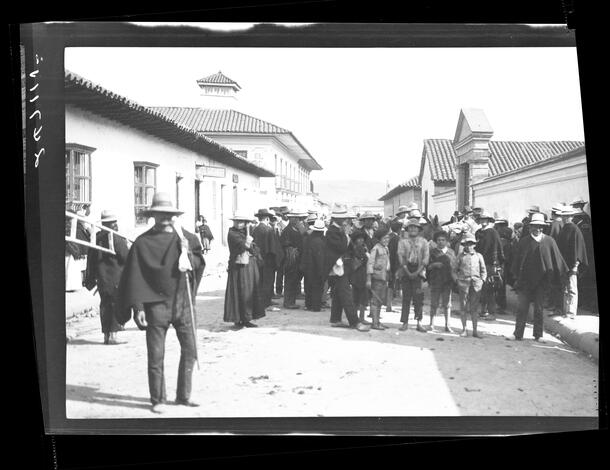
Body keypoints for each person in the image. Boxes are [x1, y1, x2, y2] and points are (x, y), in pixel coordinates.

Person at [118, 192, 205, 414]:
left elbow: (199, 264)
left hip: (183, 303)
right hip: (156, 307)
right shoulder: (142, 242)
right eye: (160, 214)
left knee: (191, 349)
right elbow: (133, 276)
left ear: (174, 215)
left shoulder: (186, 239)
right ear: (153, 215)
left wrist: (188, 256)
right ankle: (158, 399)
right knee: (156, 354)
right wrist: (138, 307)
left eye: (169, 214)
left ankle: (184, 396)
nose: (165, 218)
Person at [509, 213, 568, 342]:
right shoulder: (524, 242)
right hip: (525, 282)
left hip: (542, 282)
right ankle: (518, 334)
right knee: (522, 308)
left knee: (539, 310)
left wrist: (560, 276)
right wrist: (516, 277)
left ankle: (538, 335)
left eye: (540, 226)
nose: (538, 229)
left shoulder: (549, 241)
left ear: (543, 227)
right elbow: (517, 261)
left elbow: (557, 260)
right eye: (535, 226)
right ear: (530, 227)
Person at [84, 210, 130, 345]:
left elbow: (91, 260)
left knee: (105, 305)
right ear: (113, 224)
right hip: (116, 278)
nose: (117, 225)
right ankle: (113, 336)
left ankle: (106, 335)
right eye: (115, 223)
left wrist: (91, 278)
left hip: (102, 280)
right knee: (115, 305)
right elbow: (126, 257)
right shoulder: (116, 238)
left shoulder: (96, 238)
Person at [323, 204, 369, 332]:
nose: (345, 220)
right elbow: (342, 247)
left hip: (341, 267)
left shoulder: (338, 230)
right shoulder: (332, 231)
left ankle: (335, 319)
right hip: (337, 267)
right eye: (343, 218)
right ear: (336, 218)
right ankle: (354, 322)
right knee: (346, 294)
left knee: (338, 293)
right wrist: (347, 235)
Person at [223, 210, 266, 328]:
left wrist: (250, 243)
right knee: (239, 291)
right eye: (236, 221)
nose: (238, 224)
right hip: (238, 266)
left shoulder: (249, 233)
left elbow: (255, 249)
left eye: (241, 222)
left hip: (249, 266)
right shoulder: (232, 233)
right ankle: (238, 319)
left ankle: (247, 318)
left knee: (249, 292)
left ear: (246, 223)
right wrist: (249, 242)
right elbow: (243, 246)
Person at [397, 218, 429, 332]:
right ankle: (405, 322)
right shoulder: (402, 241)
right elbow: (400, 257)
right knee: (406, 297)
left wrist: (417, 272)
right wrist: (407, 271)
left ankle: (419, 322)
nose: (412, 229)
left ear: (419, 229)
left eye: (415, 227)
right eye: (410, 227)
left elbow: (426, 258)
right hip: (406, 270)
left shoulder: (424, 242)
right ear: (407, 229)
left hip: (419, 271)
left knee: (418, 298)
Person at [556, 206, 588, 318]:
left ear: (572, 217)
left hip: (573, 263)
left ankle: (571, 312)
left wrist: (576, 263)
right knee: (565, 288)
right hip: (564, 264)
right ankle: (565, 310)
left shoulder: (575, 229)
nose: (565, 218)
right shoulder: (564, 229)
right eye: (563, 216)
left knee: (572, 288)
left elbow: (579, 248)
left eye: (567, 216)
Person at [454, 232, 486, 338]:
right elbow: (454, 270)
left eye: (471, 244)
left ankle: (475, 330)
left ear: (475, 244)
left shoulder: (478, 256)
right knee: (463, 307)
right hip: (463, 284)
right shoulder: (460, 256)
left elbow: (483, 270)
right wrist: (457, 280)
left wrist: (482, 280)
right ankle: (464, 329)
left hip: (476, 284)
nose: (469, 246)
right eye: (467, 244)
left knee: (474, 308)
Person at [475, 213, 504, 320]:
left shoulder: (493, 232)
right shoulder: (478, 232)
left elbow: (497, 247)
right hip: (479, 263)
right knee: (480, 286)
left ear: (488, 221)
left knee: (489, 287)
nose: (483, 221)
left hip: (489, 263)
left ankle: (491, 312)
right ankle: (483, 309)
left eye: (485, 220)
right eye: (481, 219)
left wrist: (496, 264)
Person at [427, 230, 457, 332]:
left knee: (447, 304)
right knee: (434, 303)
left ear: (447, 241)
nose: (440, 242)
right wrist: (434, 265)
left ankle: (447, 325)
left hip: (447, 281)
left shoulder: (451, 252)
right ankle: (431, 324)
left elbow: (455, 267)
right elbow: (427, 267)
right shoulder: (432, 252)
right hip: (435, 281)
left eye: (443, 240)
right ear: (435, 241)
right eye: (438, 240)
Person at [252, 208, 281, 309]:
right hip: (268, 259)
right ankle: (266, 303)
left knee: (260, 280)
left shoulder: (255, 229)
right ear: (267, 219)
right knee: (268, 281)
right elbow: (273, 247)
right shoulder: (268, 230)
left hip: (258, 258)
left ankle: (263, 301)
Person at [281, 209, 307, 309]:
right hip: (291, 261)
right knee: (290, 281)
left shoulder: (295, 229)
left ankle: (291, 301)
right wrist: (292, 249)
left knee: (294, 280)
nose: (298, 220)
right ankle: (288, 302)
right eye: (296, 218)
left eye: (298, 218)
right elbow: (284, 244)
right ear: (291, 219)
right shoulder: (287, 230)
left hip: (296, 260)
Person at [366, 227, 391, 330]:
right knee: (375, 301)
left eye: (388, 238)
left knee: (380, 300)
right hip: (376, 278)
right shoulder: (376, 248)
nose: (386, 240)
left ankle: (377, 321)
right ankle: (374, 323)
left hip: (383, 278)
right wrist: (368, 279)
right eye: (384, 238)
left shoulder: (386, 248)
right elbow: (370, 263)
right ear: (379, 239)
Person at [300, 219, 326, 312]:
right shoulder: (319, 241)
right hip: (315, 268)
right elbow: (319, 258)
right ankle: (316, 306)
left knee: (308, 286)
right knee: (317, 287)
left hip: (307, 267)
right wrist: (321, 270)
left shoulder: (309, 238)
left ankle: (308, 305)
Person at [348, 231, 370, 325]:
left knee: (356, 297)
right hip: (361, 274)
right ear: (355, 240)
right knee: (362, 297)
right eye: (359, 238)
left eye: (362, 238)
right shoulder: (360, 248)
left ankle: (356, 317)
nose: (361, 240)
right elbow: (363, 259)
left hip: (355, 275)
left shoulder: (354, 247)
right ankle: (361, 318)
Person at [493, 218, 512, 314]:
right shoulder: (508, 238)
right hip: (505, 265)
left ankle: (500, 305)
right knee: (501, 285)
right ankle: (500, 304)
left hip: (501, 265)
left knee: (499, 285)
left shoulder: (502, 241)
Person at [386, 220, 402, 312]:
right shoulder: (397, 239)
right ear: (399, 229)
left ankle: (389, 305)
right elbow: (397, 253)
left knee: (390, 284)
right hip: (395, 263)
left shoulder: (389, 237)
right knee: (394, 285)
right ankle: (389, 305)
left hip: (389, 262)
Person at [274, 206, 290, 296]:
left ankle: (287, 290)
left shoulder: (289, 223)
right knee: (280, 272)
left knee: (287, 271)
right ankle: (279, 290)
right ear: (282, 215)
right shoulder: (279, 225)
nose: (287, 215)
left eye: (288, 214)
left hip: (288, 250)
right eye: (285, 214)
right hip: (281, 250)